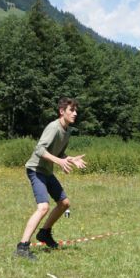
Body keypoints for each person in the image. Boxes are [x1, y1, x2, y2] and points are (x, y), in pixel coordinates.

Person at [15, 97, 87, 259]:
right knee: (43, 207)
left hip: (47, 171)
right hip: (36, 169)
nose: (75, 113)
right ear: (62, 111)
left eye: (76, 111)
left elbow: (59, 153)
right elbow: (39, 149)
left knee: (64, 203)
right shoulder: (53, 127)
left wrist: (70, 159)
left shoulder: (67, 131)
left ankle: (44, 233)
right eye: (71, 110)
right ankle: (22, 247)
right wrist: (59, 161)